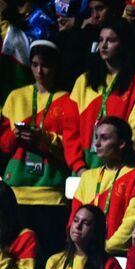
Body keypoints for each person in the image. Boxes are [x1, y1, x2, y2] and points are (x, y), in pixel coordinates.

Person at [1, 42, 79, 253]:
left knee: (47, 257)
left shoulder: (68, 99)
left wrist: (45, 139)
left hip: (51, 195)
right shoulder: (15, 97)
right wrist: (14, 136)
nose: (39, 71)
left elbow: (72, 149)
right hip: (15, 193)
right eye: (34, 65)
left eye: (45, 65)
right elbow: (3, 146)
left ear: (55, 67)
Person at [71, 22, 135, 171]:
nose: (103, 46)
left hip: (120, 169)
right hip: (85, 171)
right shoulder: (83, 81)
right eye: (101, 40)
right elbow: (70, 129)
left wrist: (116, 166)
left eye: (110, 40)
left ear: (123, 44)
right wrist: (79, 167)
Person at [70, 118, 135, 255]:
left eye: (104, 138)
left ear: (121, 143)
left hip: (116, 254)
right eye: (96, 137)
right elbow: (74, 218)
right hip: (84, 253)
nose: (97, 143)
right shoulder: (88, 177)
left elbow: (132, 222)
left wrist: (104, 248)